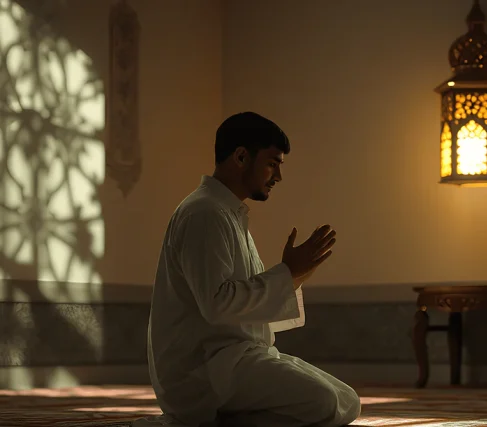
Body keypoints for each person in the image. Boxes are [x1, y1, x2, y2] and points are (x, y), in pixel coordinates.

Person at [132, 112, 361, 427]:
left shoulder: (229, 214)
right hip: (205, 370)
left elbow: (245, 303)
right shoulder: (204, 213)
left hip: (239, 359)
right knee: (322, 403)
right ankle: (198, 419)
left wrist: (294, 275)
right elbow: (217, 304)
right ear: (241, 156)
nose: (277, 176)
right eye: (272, 163)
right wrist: (286, 273)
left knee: (347, 402)